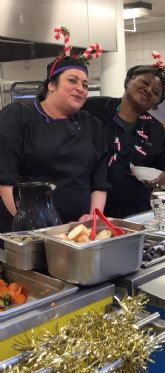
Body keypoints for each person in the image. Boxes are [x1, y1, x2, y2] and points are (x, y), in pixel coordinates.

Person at [0, 27, 109, 233]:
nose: (81, 88)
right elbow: (5, 182)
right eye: (72, 81)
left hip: (78, 232)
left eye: (85, 84)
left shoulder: (92, 124)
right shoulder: (18, 116)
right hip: (28, 232)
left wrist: (93, 218)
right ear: (51, 85)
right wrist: (34, 228)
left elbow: (99, 183)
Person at [83, 51, 165, 218]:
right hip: (89, 208)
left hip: (135, 212)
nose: (149, 90)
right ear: (128, 81)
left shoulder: (156, 130)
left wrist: (158, 179)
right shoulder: (94, 108)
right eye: (145, 82)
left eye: (156, 93)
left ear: (156, 104)